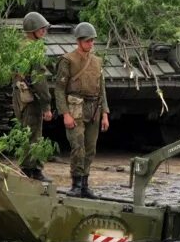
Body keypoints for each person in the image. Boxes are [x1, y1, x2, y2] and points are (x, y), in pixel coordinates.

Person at [54, 22, 109, 198]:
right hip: (75, 107)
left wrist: (105, 114)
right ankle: (76, 183)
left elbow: (102, 89)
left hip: (94, 108)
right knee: (78, 146)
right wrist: (65, 114)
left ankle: (85, 184)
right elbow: (59, 89)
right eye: (88, 41)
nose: (91, 44)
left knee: (90, 147)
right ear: (79, 41)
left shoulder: (97, 61)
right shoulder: (68, 60)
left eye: (92, 41)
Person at [13, 12, 54, 181]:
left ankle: (26, 168)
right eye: (41, 28)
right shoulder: (33, 49)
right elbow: (39, 81)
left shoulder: (20, 46)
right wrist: (47, 105)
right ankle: (34, 170)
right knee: (35, 133)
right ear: (33, 30)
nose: (44, 31)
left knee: (26, 131)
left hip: (20, 96)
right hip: (32, 98)